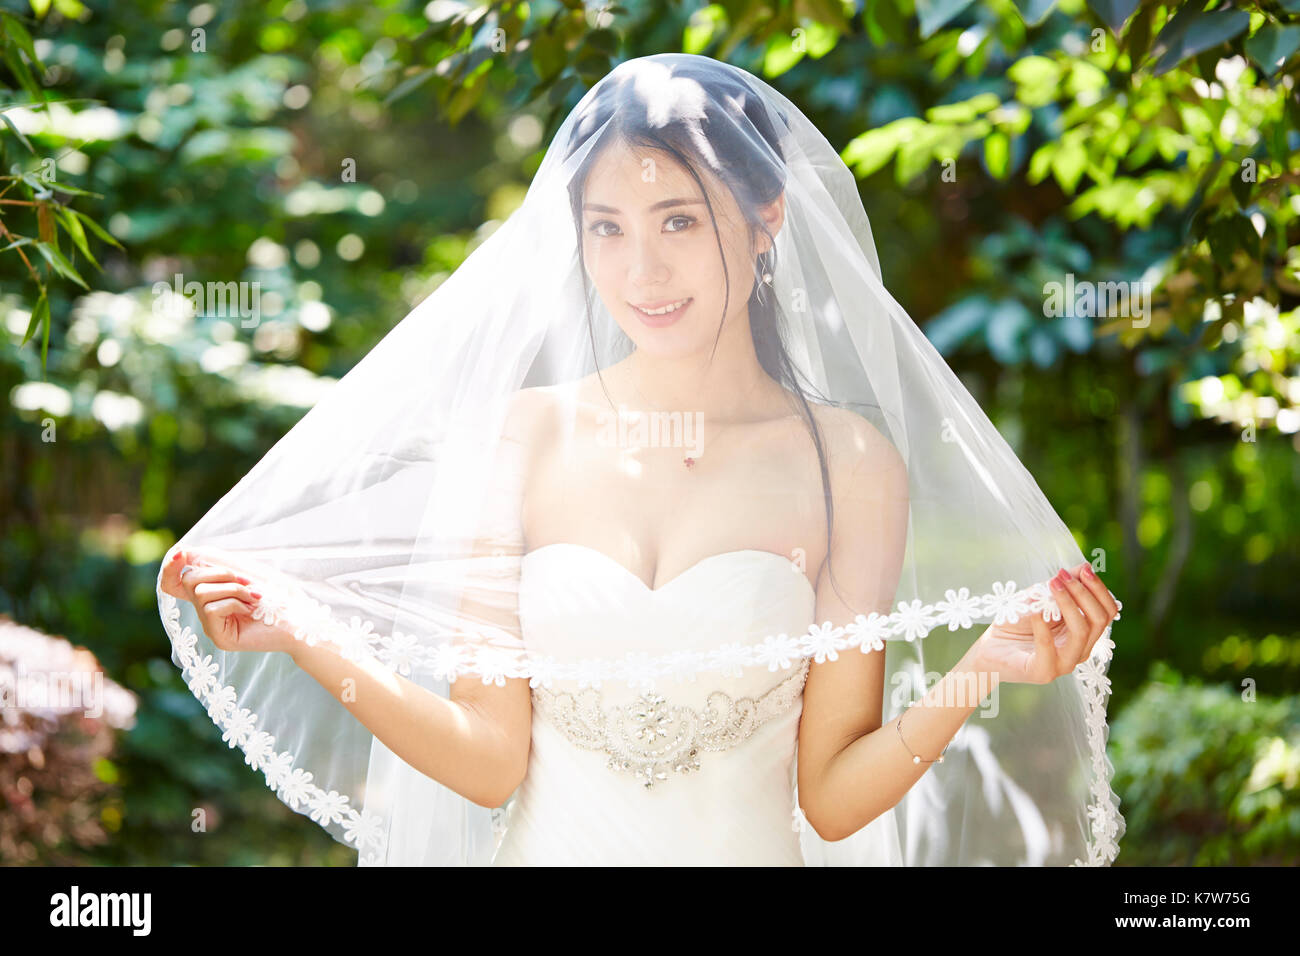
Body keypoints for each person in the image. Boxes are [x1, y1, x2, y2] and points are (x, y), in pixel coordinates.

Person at [156, 53, 1125, 866]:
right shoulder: (521, 437)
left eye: (679, 220)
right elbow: (493, 759)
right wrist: (308, 630)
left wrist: (980, 668)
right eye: (606, 229)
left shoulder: (849, 461)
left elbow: (829, 794)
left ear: (764, 219)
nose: (641, 272)